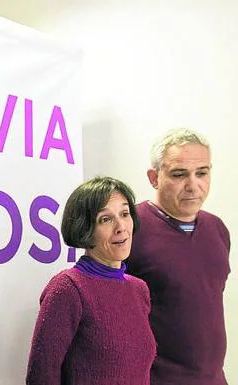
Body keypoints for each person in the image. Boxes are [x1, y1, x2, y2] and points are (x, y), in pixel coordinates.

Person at [25, 176, 156, 385]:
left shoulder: (139, 289)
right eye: (106, 219)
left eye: (124, 214)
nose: (121, 227)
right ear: (85, 229)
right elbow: (41, 377)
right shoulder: (68, 288)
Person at [126, 128, 231, 385]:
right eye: (179, 174)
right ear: (154, 177)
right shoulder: (128, 228)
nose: (193, 185)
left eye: (202, 173)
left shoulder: (217, 229)